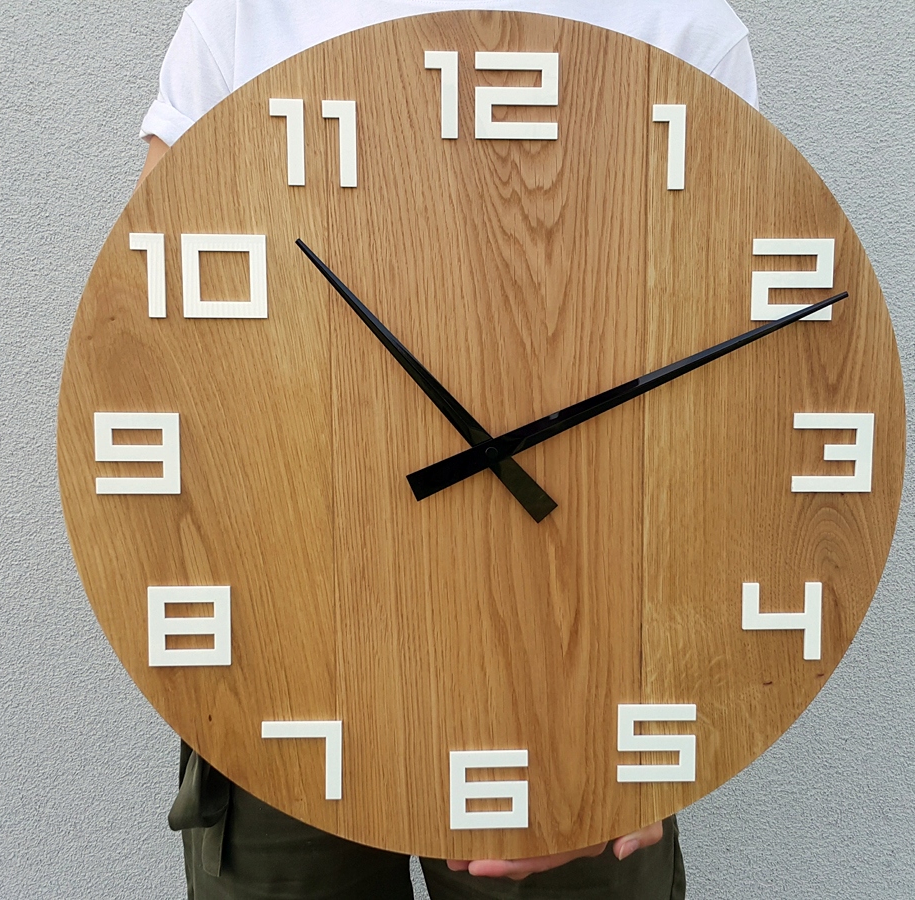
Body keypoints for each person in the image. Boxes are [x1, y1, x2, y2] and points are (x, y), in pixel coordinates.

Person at [138, 3, 758, 897]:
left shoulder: (675, 21)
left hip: (573, 666)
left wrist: (656, 725)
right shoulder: (248, 10)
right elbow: (155, 321)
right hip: (287, 644)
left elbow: (738, 408)